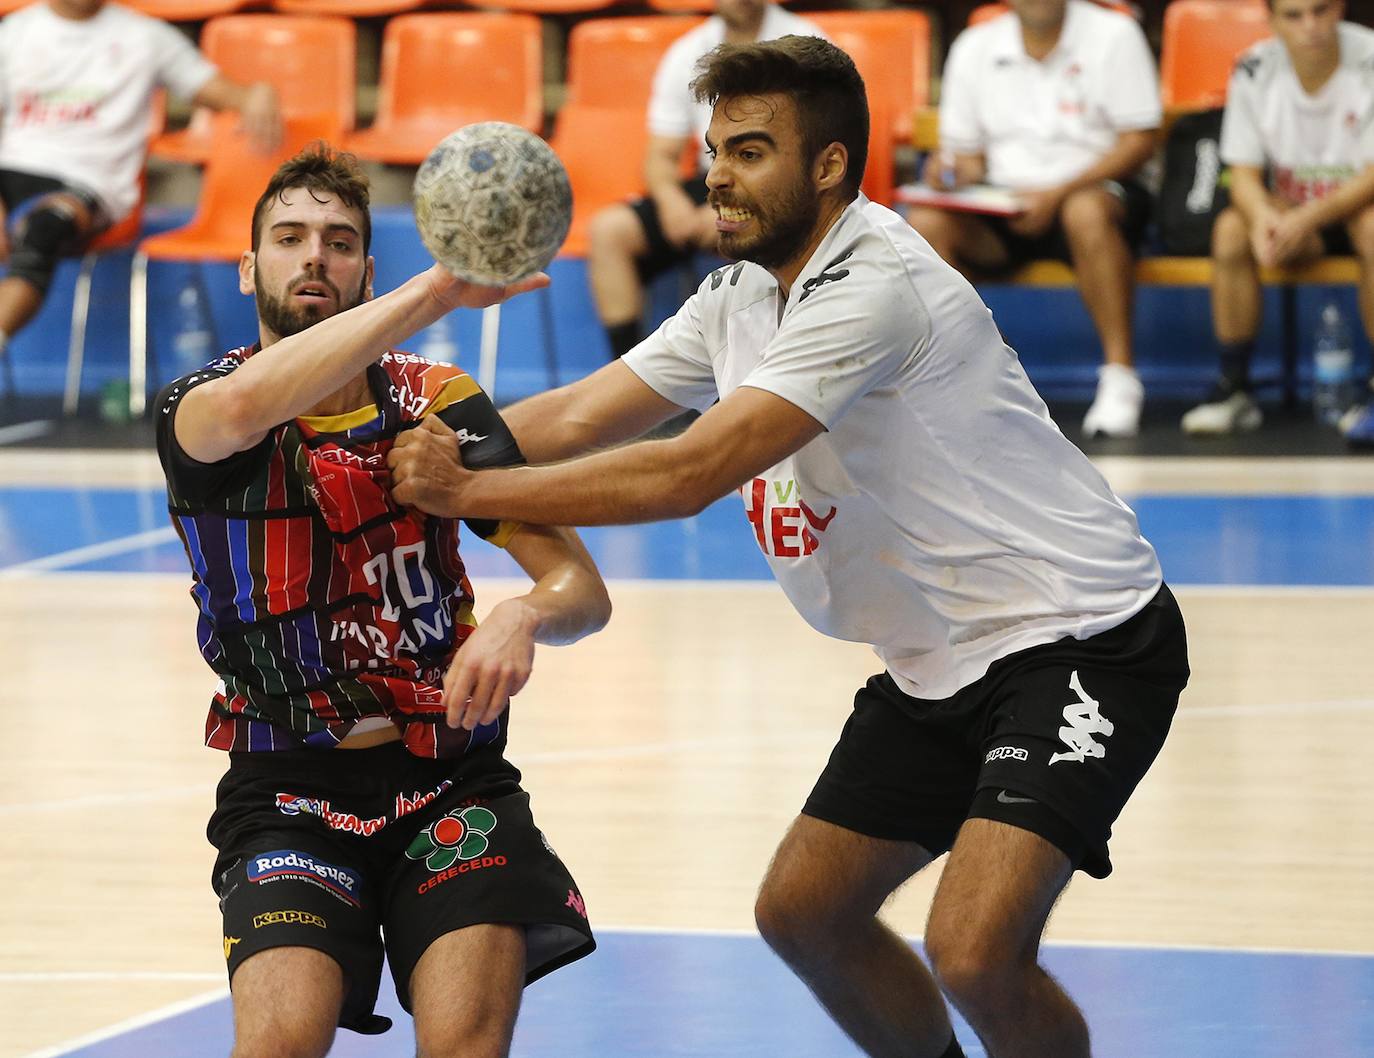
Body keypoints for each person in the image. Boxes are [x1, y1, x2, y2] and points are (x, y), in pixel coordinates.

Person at [389, 36, 1189, 1058]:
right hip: (938, 660)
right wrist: (396, 446)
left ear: (829, 167)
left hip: (1078, 638)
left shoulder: (874, 282)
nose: (718, 172)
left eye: (752, 149)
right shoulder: (740, 298)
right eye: (717, 148)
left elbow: (691, 471)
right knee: (807, 912)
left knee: (977, 948)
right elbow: (585, 416)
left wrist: (469, 489)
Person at [154, 145, 610, 1058]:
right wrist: (445, 288)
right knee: (278, 1044)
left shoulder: (440, 401)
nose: (313, 257)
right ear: (249, 268)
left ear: (367, 267)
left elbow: (580, 591)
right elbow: (247, 408)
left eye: (339, 240)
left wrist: (525, 614)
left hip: (449, 780)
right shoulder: (200, 407)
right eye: (288, 238)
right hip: (287, 788)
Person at [905, 0, 1161, 439]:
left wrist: (1058, 192)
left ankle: (1120, 377)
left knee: (1086, 212)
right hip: (1004, 201)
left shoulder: (1115, 35)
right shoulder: (973, 46)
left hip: (1097, 190)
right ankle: (972, 378)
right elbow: (966, 155)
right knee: (927, 222)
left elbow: (1140, 140)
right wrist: (952, 172)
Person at [0, 0, 281, 390]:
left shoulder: (144, 36)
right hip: (10, 172)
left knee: (45, 230)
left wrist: (255, 96)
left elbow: (216, 89)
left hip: (88, 183)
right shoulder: (15, 31)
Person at [587, 0, 822, 361]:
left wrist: (729, 214)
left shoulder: (806, 44)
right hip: (714, 177)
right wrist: (671, 203)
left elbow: (811, 155)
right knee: (609, 232)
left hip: (779, 182)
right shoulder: (688, 50)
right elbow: (661, 155)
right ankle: (629, 378)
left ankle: (762, 383)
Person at [1181, 0, 1374, 437]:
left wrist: (1306, 218)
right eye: (1294, 15)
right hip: (1291, 213)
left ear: (1340, 9)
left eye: (1320, 11)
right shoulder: (1253, 67)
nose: (1310, 26)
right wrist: (1266, 217)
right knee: (1231, 229)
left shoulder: (1370, 58)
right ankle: (1234, 388)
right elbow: (1243, 174)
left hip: (1356, 207)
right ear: (1271, 21)